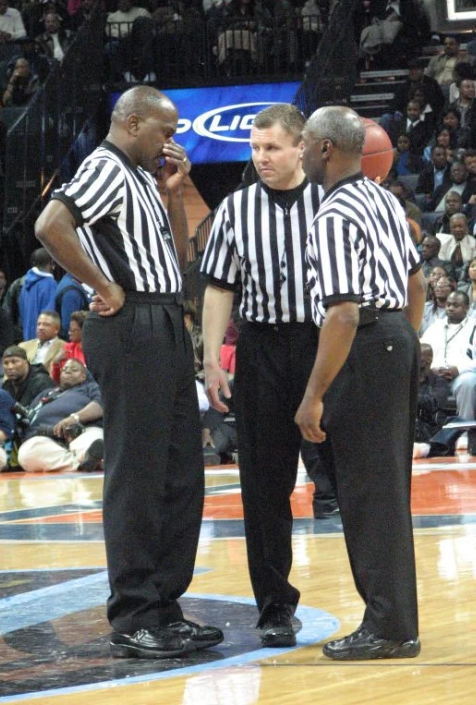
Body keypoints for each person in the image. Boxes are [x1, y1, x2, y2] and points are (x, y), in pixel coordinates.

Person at [34, 86, 221, 658]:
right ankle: (135, 614)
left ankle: (165, 606)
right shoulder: (106, 165)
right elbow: (50, 224)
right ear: (132, 122)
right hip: (131, 322)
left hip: (163, 317)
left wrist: (171, 195)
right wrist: (99, 282)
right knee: (139, 474)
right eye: (165, 131)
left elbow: (174, 256)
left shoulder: (143, 176)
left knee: (179, 472)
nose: (172, 141)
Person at [201, 103, 337, 648]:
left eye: (272, 147)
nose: (261, 158)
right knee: (263, 486)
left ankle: (381, 606)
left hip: (324, 345)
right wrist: (212, 357)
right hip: (260, 350)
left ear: (301, 146)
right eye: (255, 149)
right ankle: (275, 606)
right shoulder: (234, 209)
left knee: (351, 480)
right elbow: (218, 287)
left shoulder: (332, 203)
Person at [295, 105, 426, 660]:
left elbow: (343, 313)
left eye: (303, 141)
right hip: (393, 338)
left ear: (326, 148)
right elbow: (416, 282)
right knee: (387, 492)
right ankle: (395, 621)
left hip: (366, 342)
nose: (299, 150)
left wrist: (313, 394)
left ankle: (388, 628)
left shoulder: (332, 214)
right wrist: (401, 342)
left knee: (368, 493)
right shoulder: (384, 199)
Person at [16, 358, 103, 472]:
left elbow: (101, 405)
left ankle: (88, 456)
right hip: (50, 437)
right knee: (27, 453)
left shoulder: (90, 387)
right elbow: (30, 418)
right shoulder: (47, 393)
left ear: (83, 377)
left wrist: (74, 418)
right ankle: (82, 463)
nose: (68, 371)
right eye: (65, 369)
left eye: (74, 369)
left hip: (83, 429)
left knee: (90, 442)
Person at [421, 290, 476, 419]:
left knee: (467, 382)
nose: (450, 308)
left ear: (467, 308)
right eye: (448, 305)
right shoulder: (435, 327)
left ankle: (464, 429)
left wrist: (458, 370)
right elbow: (422, 349)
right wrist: (431, 369)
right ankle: (427, 428)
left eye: (455, 305)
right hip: (435, 375)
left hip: (462, 375)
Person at [18, 247, 57, 340]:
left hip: (28, 338)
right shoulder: (50, 284)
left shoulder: (25, 283)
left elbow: (21, 311)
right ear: (52, 263)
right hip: (43, 339)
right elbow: (49, 315)